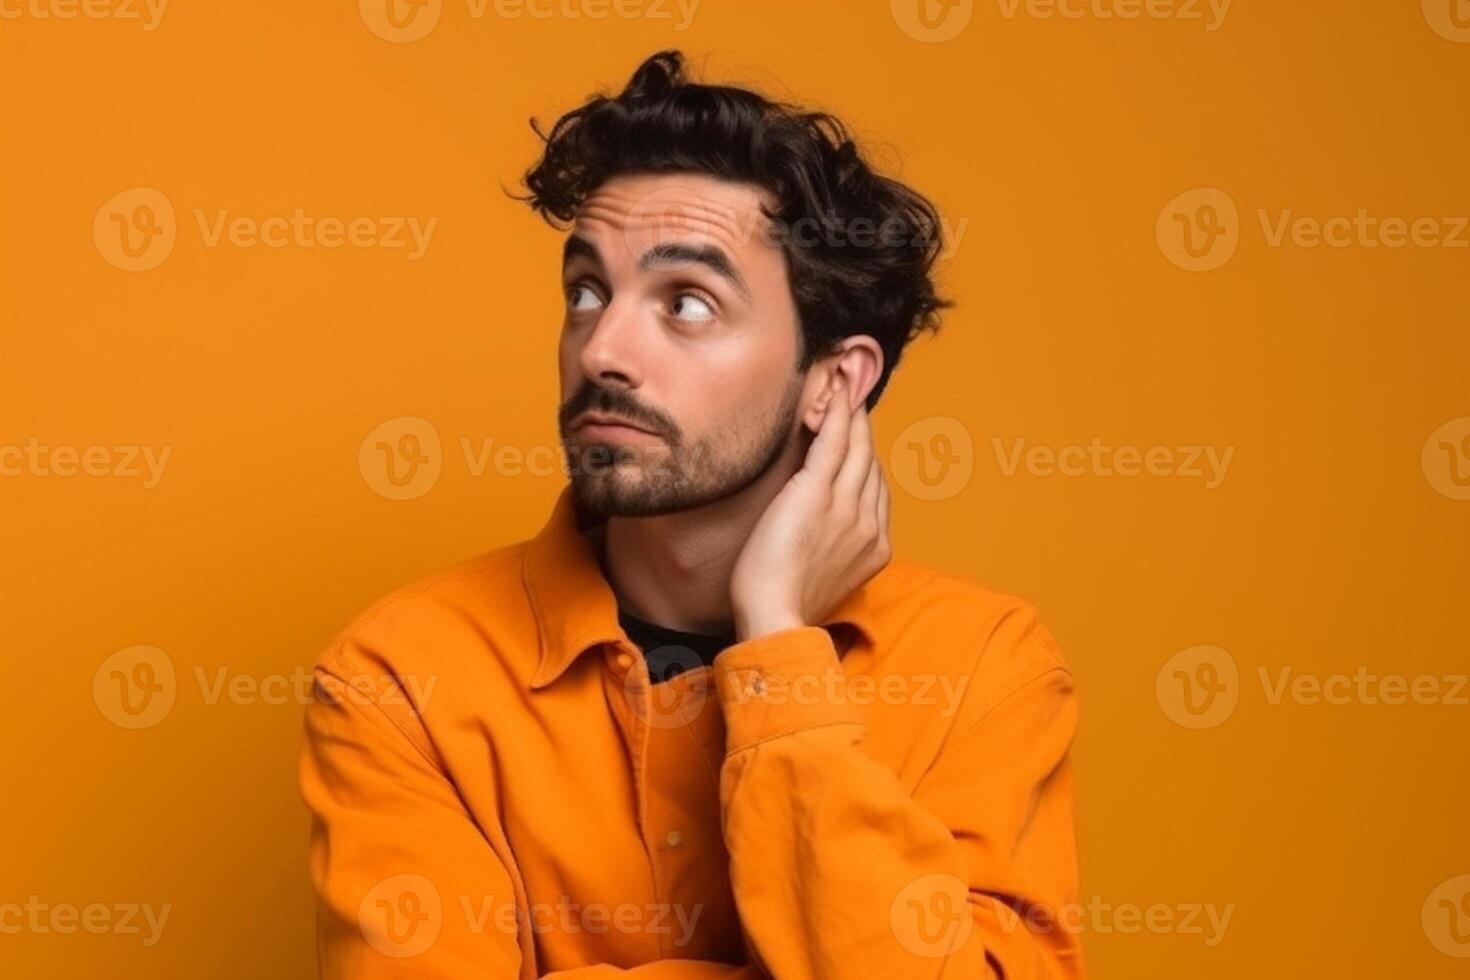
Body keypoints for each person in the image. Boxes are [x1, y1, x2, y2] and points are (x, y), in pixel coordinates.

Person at [299, 49, 1083, 979]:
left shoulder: (982, 666)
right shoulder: (402, 678)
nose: (603, 350)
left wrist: (780, 653)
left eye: (687, 302)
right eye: (587, 292)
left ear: (834, 383)